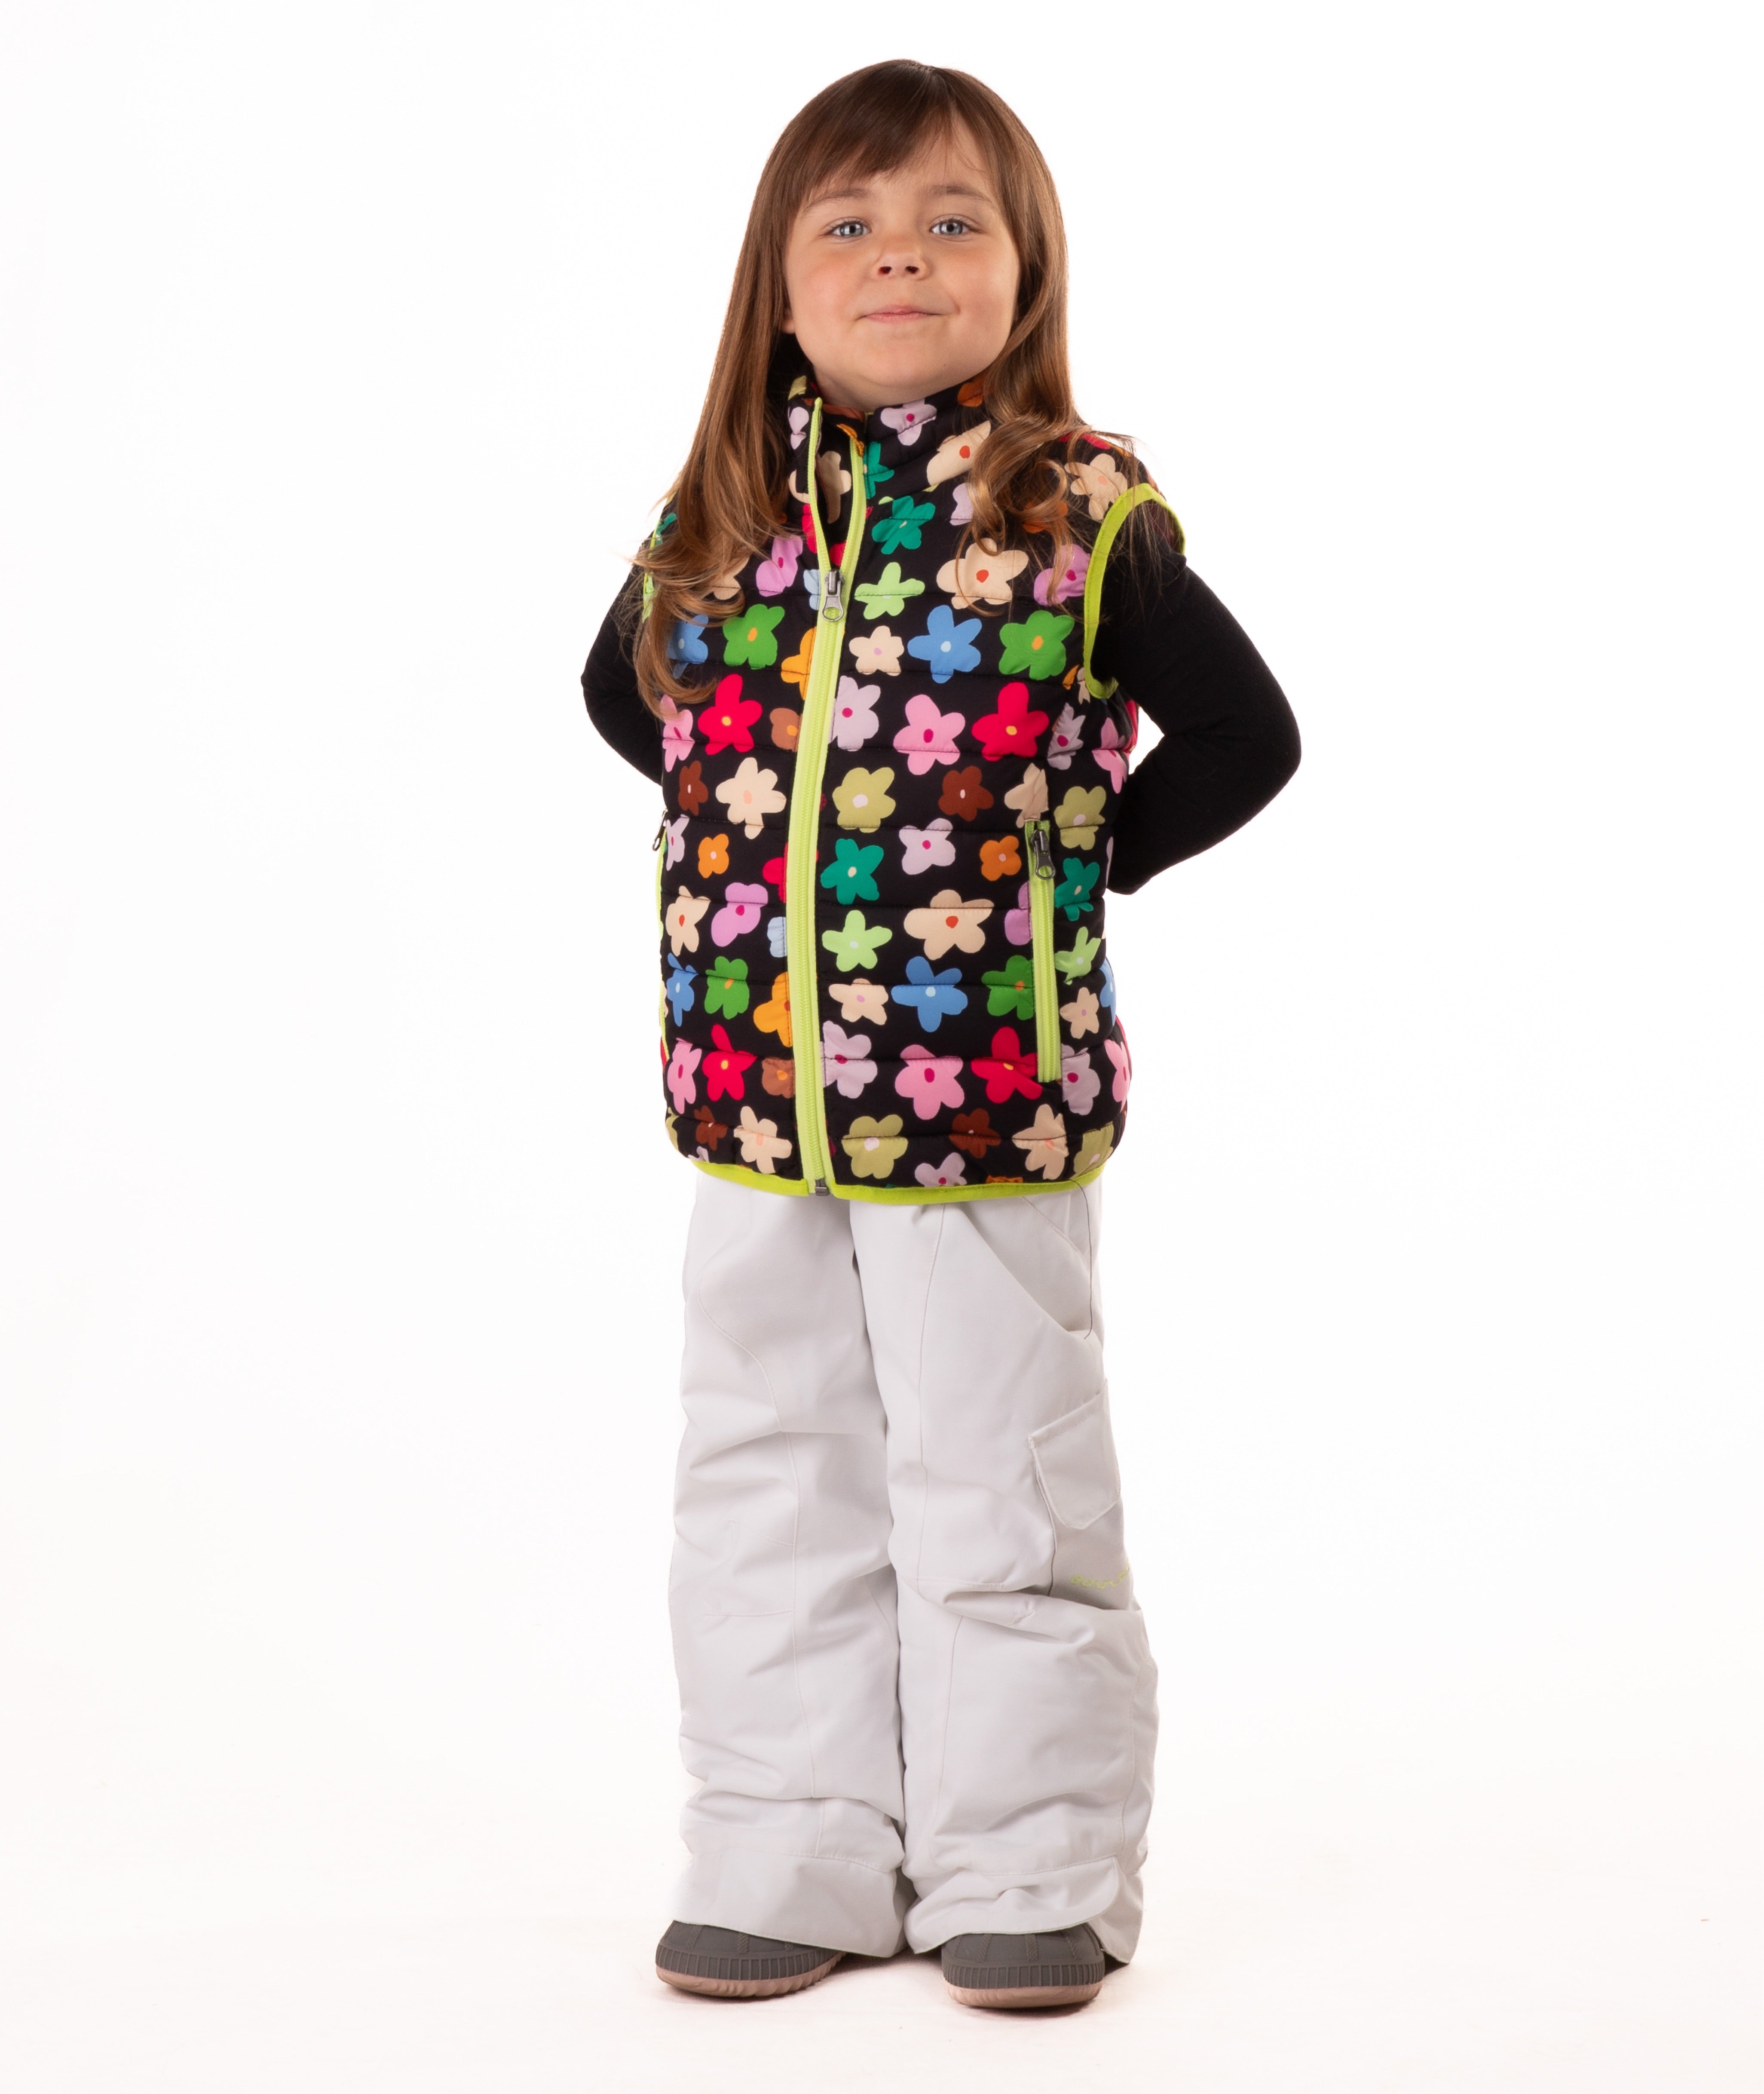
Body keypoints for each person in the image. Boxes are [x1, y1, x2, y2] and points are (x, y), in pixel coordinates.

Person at [581, 59, 1299, 2012]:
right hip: (754, 1103)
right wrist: (756, 854)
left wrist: (1067, 871)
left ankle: (1035, 1862)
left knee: (1002, 1479)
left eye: (950, 220)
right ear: (781, 286)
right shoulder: (720, 519)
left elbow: (1249, 738)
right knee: (765, 1470)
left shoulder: (1076, 509)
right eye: (851, 224)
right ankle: (786, 1846)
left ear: (1024, 270)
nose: (899, 253)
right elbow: (622, 702)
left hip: (980, 1098)